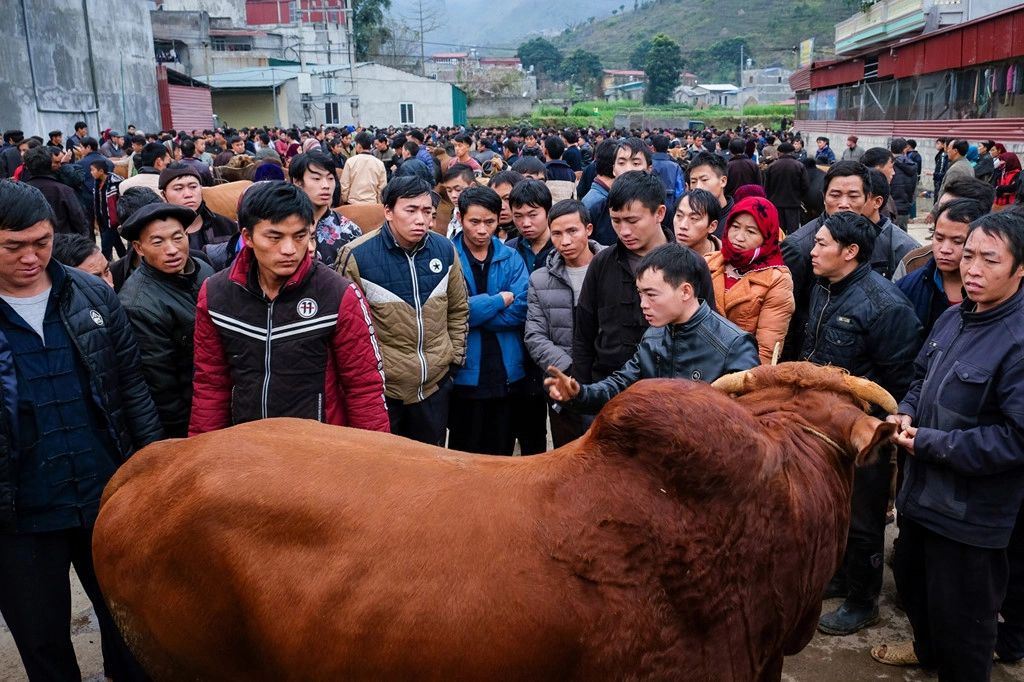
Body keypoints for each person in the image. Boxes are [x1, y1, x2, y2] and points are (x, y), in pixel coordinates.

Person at [0, 179, 161, 682]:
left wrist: (155, 471)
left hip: (105, 497)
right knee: (42, 638)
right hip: (20, 513)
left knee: (132, 627)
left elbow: (131, 388)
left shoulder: (88, 291)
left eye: (42, 242)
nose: (32, 257)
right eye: (13, 246)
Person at [872, 210, 1024, 679]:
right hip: (921, 500)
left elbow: (1017, 441)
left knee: (964, 629)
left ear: (1020, 269)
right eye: (969, 254)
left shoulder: (1017, 340)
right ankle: (927, 652)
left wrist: (932, 443)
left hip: (971, 520)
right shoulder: (956, 318)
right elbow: (921, 377)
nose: (972, 268)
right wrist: (907, 410)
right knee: (916, 591)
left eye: (989, 260)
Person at [801, 211, 922, 636]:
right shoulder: (824, 288)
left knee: (865, 520)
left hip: (866, 434)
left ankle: (863, 600)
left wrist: (876, 435)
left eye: (821, 244)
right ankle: (839, 577)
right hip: (824, 428)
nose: (812, 251)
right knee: (835, 511)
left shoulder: (884, 307)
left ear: (849, 252)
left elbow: (901, 382)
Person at [190, 181, 389, 435]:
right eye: (274, 237)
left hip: (318, 451)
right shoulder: (217, 295)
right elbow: (210, 385)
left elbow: (365, 388)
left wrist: (369, 461)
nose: (289, 250)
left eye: (299, 236)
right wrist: (206, 456)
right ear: (248, 237)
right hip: (245, 447)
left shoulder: (339, 295)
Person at [335, 176, 469, 446]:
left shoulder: (444, 250)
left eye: (427, 212)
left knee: (430, 469)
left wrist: (452, 363)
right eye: (411, 210)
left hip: (434, 387)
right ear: (388, 212)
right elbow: (344, 330)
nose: (422, 220)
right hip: (383, 392)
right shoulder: (357, 256)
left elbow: (458, 308)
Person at [547, 242, 758, 411]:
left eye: (651, 294)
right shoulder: (654, 334)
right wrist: (578, 394)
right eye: (640, 293)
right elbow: (621, 385)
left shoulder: (733, 345)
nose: (643, 304)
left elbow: (748, 421)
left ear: (685, 291)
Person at [573, 171, 716, 398]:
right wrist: (583, 395)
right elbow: (583, 335)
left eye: (633, 221)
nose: (624, 231)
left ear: (659, 213)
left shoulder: (692, 265)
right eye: (616, 221)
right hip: (609, 393)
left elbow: (709, 335)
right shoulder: (602, 263)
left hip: (672, 395)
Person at [781, 161, 919, 360]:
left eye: (853, 196)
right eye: (835, 195)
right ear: (824, 197)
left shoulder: (884, 242)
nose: (844, 203)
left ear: (867, 199)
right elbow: (787, 319)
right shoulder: (799, 246)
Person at [117, 203, 215, 438]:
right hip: (190, 418)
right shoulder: (138, 305)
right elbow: (161, 386)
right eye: (158, 242)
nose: (172, 250)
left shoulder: (203, 269)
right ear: (139, 248)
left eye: (177, 237)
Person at [449, 186, 528, 455]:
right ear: (460, 218)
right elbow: (451, 312)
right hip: (464, 376)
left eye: (489, 222)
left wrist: (474, 316)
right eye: (474, 222)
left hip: (506, 372)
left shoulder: (511, 257)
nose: (482, 230)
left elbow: (521, 308)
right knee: (464, 452)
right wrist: (497, 301)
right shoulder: (448, 257)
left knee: (501, 452)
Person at [525, 199, 603, 447]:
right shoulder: (540, 279)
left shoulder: (613, 268)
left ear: (588, 230)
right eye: (556, 234)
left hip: (607, 381)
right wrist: (568, 370)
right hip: (563, 386)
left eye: (572, 231)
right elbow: (535, 336)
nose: (565, 241)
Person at [705, 197, 795, 364]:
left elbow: (766, 350)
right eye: (735, 227)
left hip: (739, 369)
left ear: (767, 236)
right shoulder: (707, 262)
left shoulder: (777, 280)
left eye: (751, 231)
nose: (739, 237)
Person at [897, 198, 986, 335]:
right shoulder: (908, 286)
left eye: (957, 241)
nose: (945, 249)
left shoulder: (995, 292)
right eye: (939, 238)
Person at [289, 152, 361, 266]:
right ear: (297, 182)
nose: (326, 185)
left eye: (330, 178)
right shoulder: (282, 226)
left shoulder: (349, 231)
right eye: (317, 178)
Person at [159, 163, 237, 254]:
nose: (188, 194)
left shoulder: (227, 226)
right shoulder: (158, 234)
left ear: (201, 189)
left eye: (193, 187)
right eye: (178, 188)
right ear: (164, 195)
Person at [22, 146, 89, 237]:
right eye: (57, 162)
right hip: (64, 242)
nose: (59, 165)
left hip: (35, 242)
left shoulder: (22, 191)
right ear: (49, 163)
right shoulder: (64, 190)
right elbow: (79, 221)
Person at [764, 142, 809, 236]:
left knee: (779, 231)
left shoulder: (772, 166)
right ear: (792, 152)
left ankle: (781, 249)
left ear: (779, 153)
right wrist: (799, 198)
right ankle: (792, 249)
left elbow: (767, 187)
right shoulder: (799, 166)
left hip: (776, 203)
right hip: (793, 203)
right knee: (794, 232)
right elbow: (805, 186)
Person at [687, 151, 733, 238]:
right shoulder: (687, 216)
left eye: (704, 180)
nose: (698, 187)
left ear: (723, 181)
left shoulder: (736, 219)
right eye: (693, 181)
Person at [89, 160, 127, 260]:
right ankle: (126, 261)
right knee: (117, 244)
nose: (91, 173)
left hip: (113, 220)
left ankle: (102, 265)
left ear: (101, 171)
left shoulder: (116, 182)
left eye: (93, 170)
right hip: (103, 220)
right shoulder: (97, 183)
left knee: (106, 247)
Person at [339, 132, 387, 205]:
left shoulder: (350, 162)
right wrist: (379, 203)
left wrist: (344, 199)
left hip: (353, 203)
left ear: (359, 146)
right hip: (372, 203)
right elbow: (382, 187)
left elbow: (345, 185)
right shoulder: (379, 164)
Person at [673, 189, 721, 256]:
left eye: (693, 218)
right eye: (679, 215)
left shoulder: (726, 261)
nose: (683, 226)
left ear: (712, 226)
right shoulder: (662, 258)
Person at [441, 163, 478, 241]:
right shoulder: (454, 214)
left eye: (458, 190)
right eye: (449, 190)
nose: (453, 195)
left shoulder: (480, 216)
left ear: (472, 186)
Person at [889, 138, 919, 231]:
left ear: (890, 149)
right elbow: (915, 191)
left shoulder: (887, 165)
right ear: (904, 150)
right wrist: (909, 204)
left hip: (889, 209)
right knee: (902, 236)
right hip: (904, 209)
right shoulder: (912, 166)